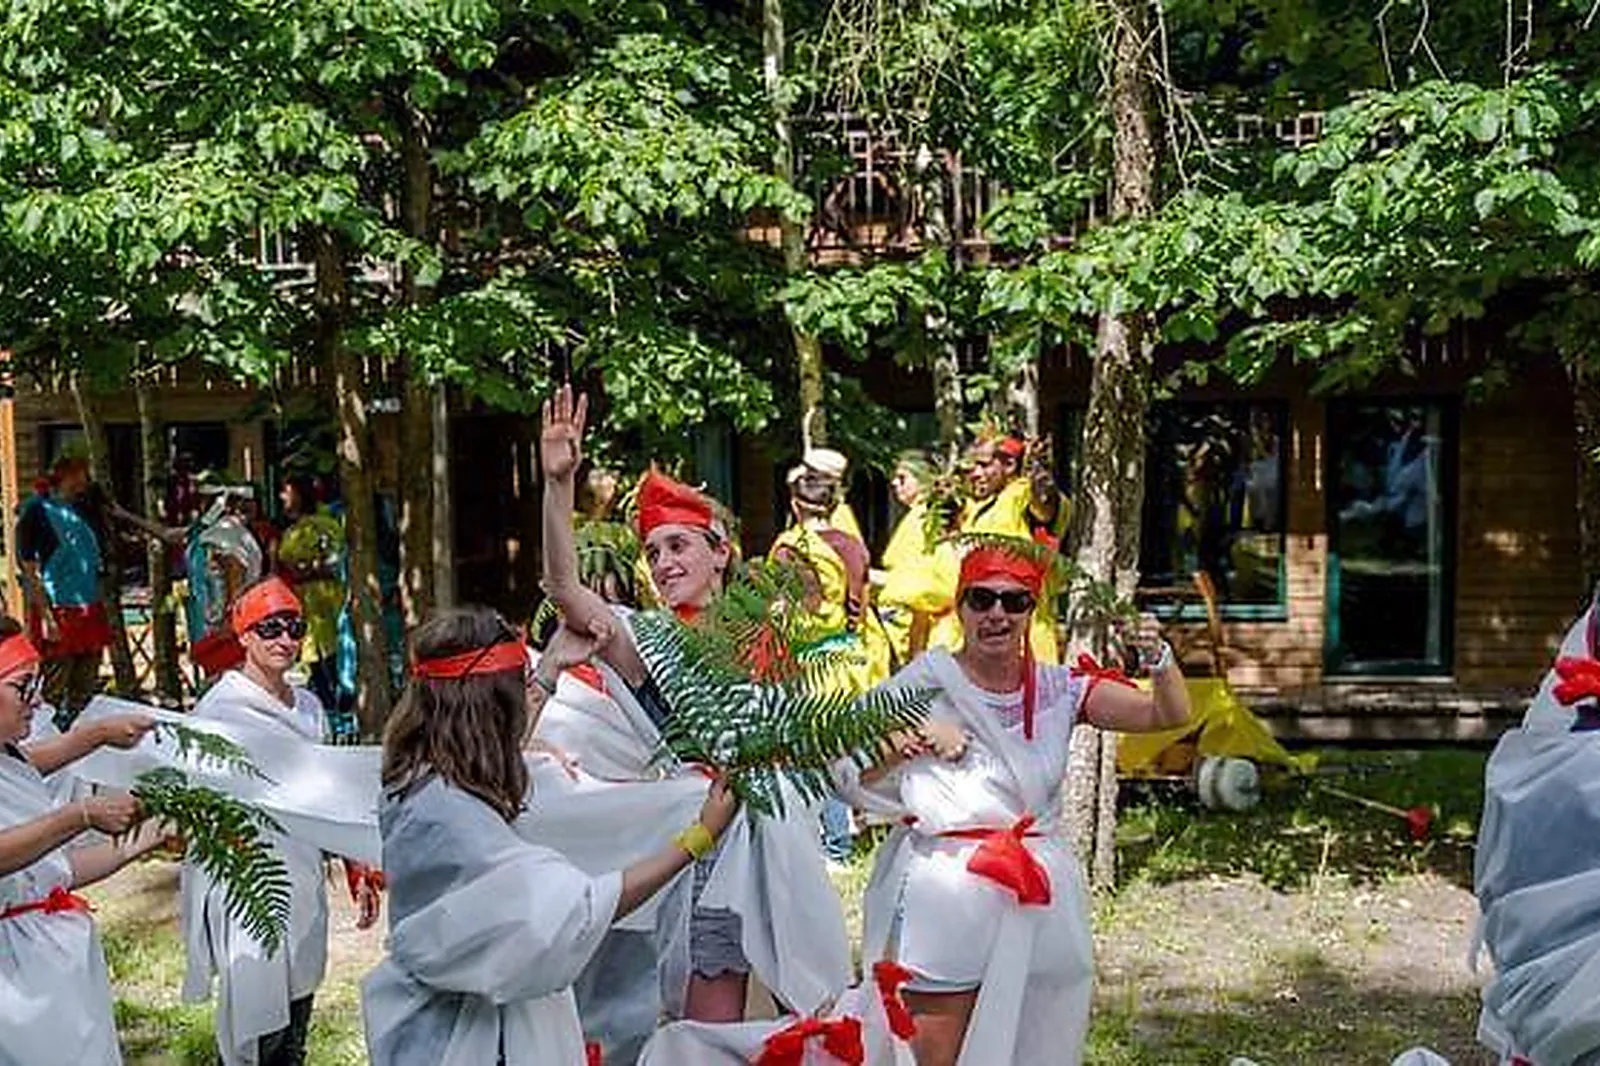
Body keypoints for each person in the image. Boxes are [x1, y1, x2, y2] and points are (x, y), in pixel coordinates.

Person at [539, 385, 852, 1029]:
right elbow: (567, 591)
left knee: (810, 1015)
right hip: (708, 845)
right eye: (652, 553)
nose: (662, 563)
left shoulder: (765, 635)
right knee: (709, 1025)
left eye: (678, 546)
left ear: (720, 552)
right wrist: (558, 486)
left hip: (783, 850)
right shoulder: (648, 639)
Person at [837, 539, 1191, 1065]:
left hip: (1033, 891)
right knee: (936, 1050)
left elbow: (1167, 715)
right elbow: (845, 764)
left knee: (1031, 1042)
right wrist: (910, 736)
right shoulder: (927, 680)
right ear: (959, 607)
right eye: (981, 599)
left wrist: (1158, 657)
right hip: (947, 884)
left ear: (1032, 610)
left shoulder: (1057, 688)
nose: (996, 613)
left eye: (1014, 601)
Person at [361, 606, 740, 1066]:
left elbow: (494, 755)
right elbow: (579, 910)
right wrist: (699, 836)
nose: (526, 699)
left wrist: (550, 669)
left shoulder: (421, 775)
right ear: (485, 709)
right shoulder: (450, 818)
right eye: (516, 689)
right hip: (463, 1042)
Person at [182, 576, 380, 1066]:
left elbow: (331, 791)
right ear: (245, 635)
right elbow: (198, 802)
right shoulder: (219, 711)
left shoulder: (310, 706)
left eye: (294, 628)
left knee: (299, 1001)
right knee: (256, 1008)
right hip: (247, 878)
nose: (285, 640)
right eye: (270, 628)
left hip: (303, 873)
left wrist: (357, 861)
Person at [0, 616, 165, 1065]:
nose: (37, 701)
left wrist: (149, 835)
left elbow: (55, 873)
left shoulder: (10, 759)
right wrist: (79, 815)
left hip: (52, 965)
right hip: (13, 984)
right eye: (22, 687)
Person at [14, 453, 115, 728]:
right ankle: (46, 739)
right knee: (54, 687)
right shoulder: (36, 511)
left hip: (88, 606)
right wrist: (46, 618)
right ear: (68, 475)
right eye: (82, 474)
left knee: (86, 685)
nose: (85, 481)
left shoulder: (84, 508)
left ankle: (81, 739)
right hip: (58, 609)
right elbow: (29, 569)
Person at [958, 434, 1063, 663]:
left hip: (1022, 623)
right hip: (981, 623)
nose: (974, 473)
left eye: (984, 465)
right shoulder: (982, 506)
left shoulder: (1022, 493)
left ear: (1009, 465)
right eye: (973, 466)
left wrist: (1039, 477)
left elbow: (1045, 509)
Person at [275, 477, 348, 716]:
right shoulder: (329, 522)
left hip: (320, 602)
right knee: (325, 656)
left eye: (286, 492)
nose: (281, 498)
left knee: (325, 659)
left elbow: (293, 566)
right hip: (323, 601)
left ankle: (334, 709)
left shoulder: (311, 528)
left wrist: (303, 571)